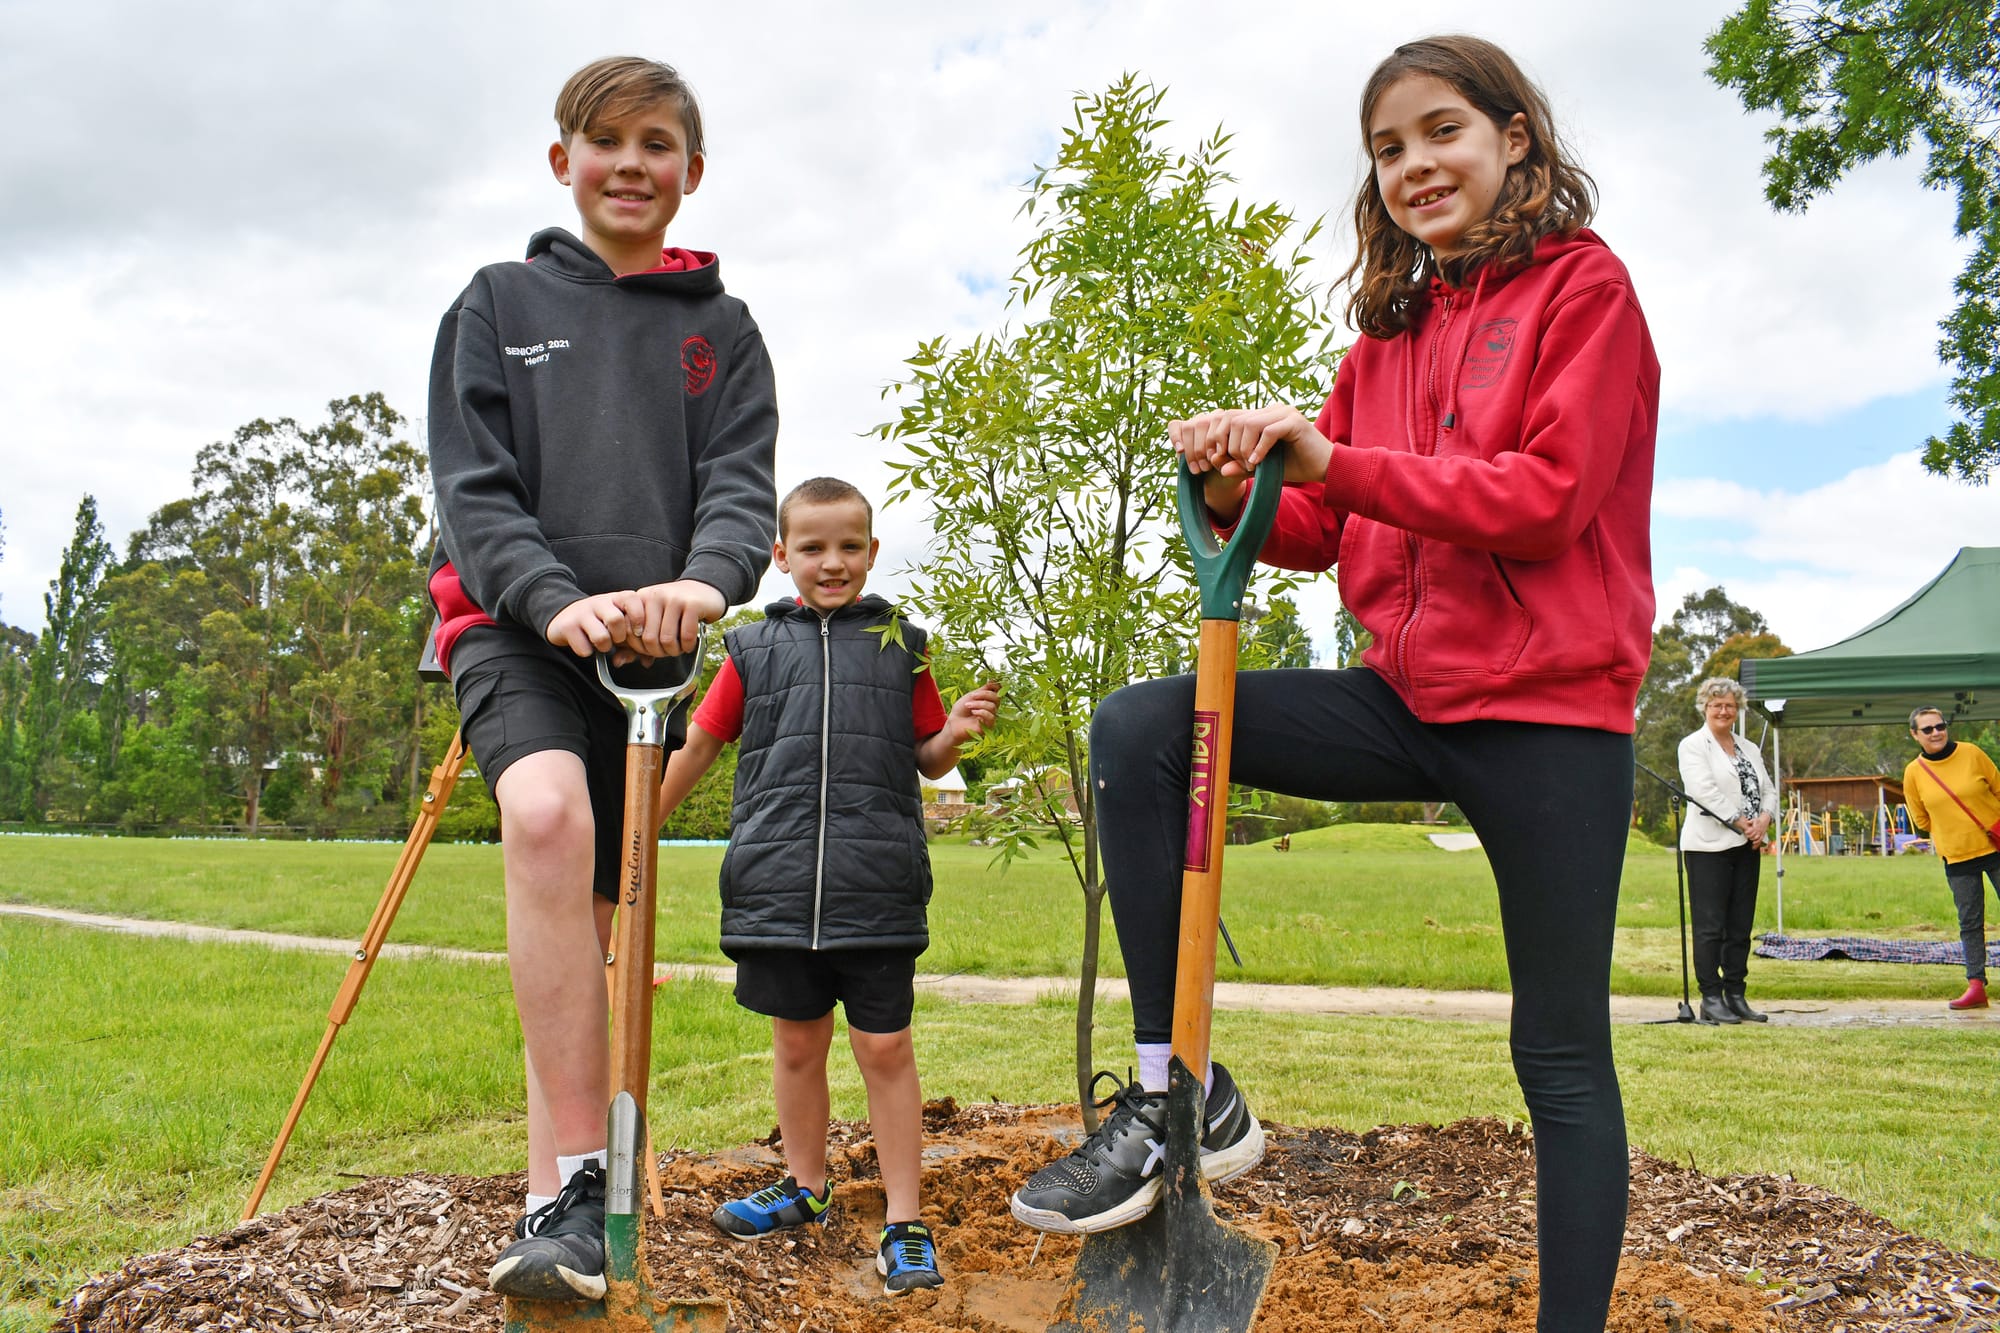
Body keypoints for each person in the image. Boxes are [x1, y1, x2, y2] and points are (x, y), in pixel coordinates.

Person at [1009, 35, 1658, 1333]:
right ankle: (1177, 1088)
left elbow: (1544, 499)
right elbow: (1322, 527)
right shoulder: (1388, 340)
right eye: (1387, 148)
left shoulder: (1584, 292)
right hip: (1401, 699)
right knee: (1141, 726)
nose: (1415, 165)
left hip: (1547, 716)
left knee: (1559, 1053)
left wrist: (1329, 460)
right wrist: (1234, 486)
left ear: (1514, 138)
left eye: (1440, 131)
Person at [424, 56, 779, 1302]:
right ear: (562, 160)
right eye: (606, 140)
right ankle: (585, 1177)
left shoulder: (722, 331)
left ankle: (554, 1215)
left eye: (657, 143)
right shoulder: (498, 302)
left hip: (647, 653)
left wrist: (706, 584)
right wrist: (548, 597)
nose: (631, 163)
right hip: (514, 626)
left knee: (586, 928)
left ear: (691, 171)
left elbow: (738, 487)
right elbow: (473, 490)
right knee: (543, 817)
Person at [655, 477, 1001, 1296]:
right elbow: (699, 746)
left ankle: (904, 1221)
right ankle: (805, 1188)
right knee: (797, 1042)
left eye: (849, 546)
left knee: (884, 1048)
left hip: (875, 886)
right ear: (782, 556)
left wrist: (954, 732)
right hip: (775, 886)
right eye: (813, 547)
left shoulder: (901, 645)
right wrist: (640, 828)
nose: (832, 561)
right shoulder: (751, 650)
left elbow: (928, 756)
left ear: (872, 552)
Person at [1675, 678, 1778, 1025]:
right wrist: (1741, 822)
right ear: (1705, 707)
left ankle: (1736, 994)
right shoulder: (1693, 746)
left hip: (1748, 846)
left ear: (1738, 709)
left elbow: (1768, 790)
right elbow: (1703, 790)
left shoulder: (1748, 747)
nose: (1723, 710)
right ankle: (1711, 996)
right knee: (1710, 927)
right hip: (1708, 847)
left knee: (1739, 925)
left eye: (1730, 705)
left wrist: (1764, 820)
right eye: (1716, 704)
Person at [1901, 707, 2000, 1010]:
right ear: (1915, 735)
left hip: (1995, 847)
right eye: (1927, 729)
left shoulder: (1971, 753)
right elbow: (1921, 819)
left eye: (1940, 726)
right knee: (1970, 923)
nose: (1936, 733)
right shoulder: (1913, 772)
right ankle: (1976, 986)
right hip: (1957, 856)